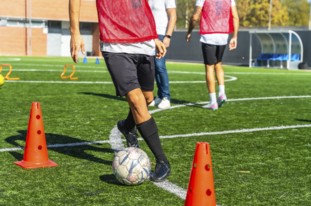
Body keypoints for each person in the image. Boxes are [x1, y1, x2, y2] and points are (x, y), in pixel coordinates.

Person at [69, 0, 170, 182]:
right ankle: (162, 161)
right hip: (115, 44)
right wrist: (75, 32)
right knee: (137, 101)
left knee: (147, 98)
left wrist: (153, 36)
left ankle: (127, 126)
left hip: (145, 41)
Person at [186, 0, 239, 110]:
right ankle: (222, 93)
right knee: (218, 64)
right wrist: (235, 37)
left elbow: (195, 16)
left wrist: (189, 31)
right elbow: (235, 16)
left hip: (209, 35)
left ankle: (213, 101)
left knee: (209, 67)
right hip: (223, 35)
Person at [148, 0, 177, 109]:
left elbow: (173, 16)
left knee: (160, 66)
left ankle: (166, 97)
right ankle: (160, 96)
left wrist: (168, 36)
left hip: (160, 34)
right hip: (148, 35)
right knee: (153, 67)